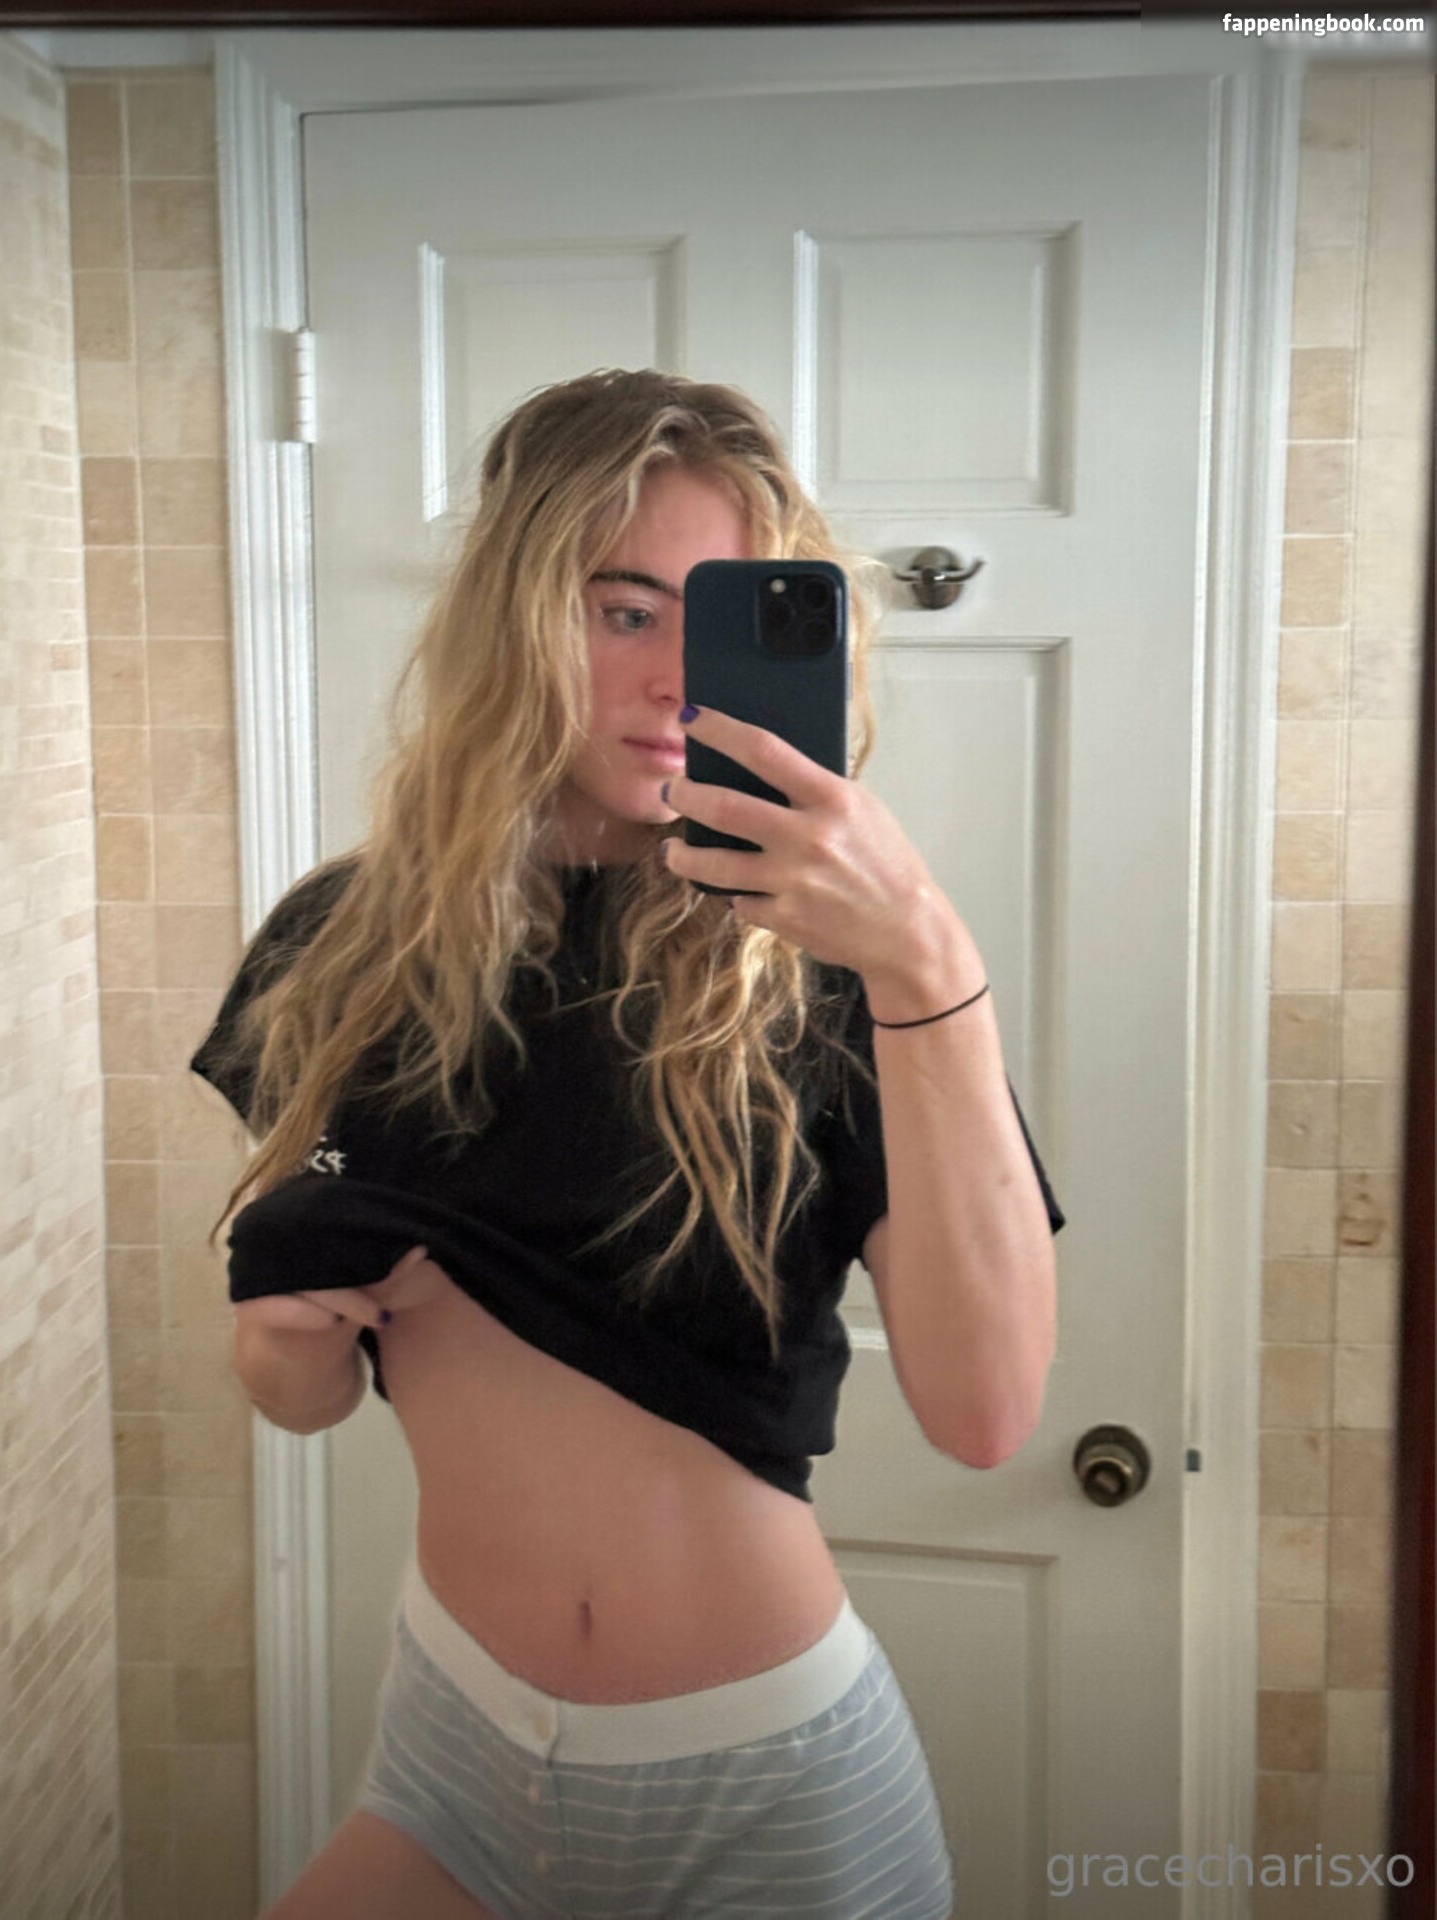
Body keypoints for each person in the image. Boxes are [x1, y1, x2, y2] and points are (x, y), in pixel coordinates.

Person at [192, 368, 1065, 1920]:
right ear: (515, 618)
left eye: (715, 623)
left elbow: (987, 1413)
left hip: (764, 1792)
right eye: (619, 611)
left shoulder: (827, 968)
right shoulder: (342, 949)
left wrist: (925, 962)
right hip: (451, 1747)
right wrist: (280, 1352)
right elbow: (309, 1353)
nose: (674, 681)